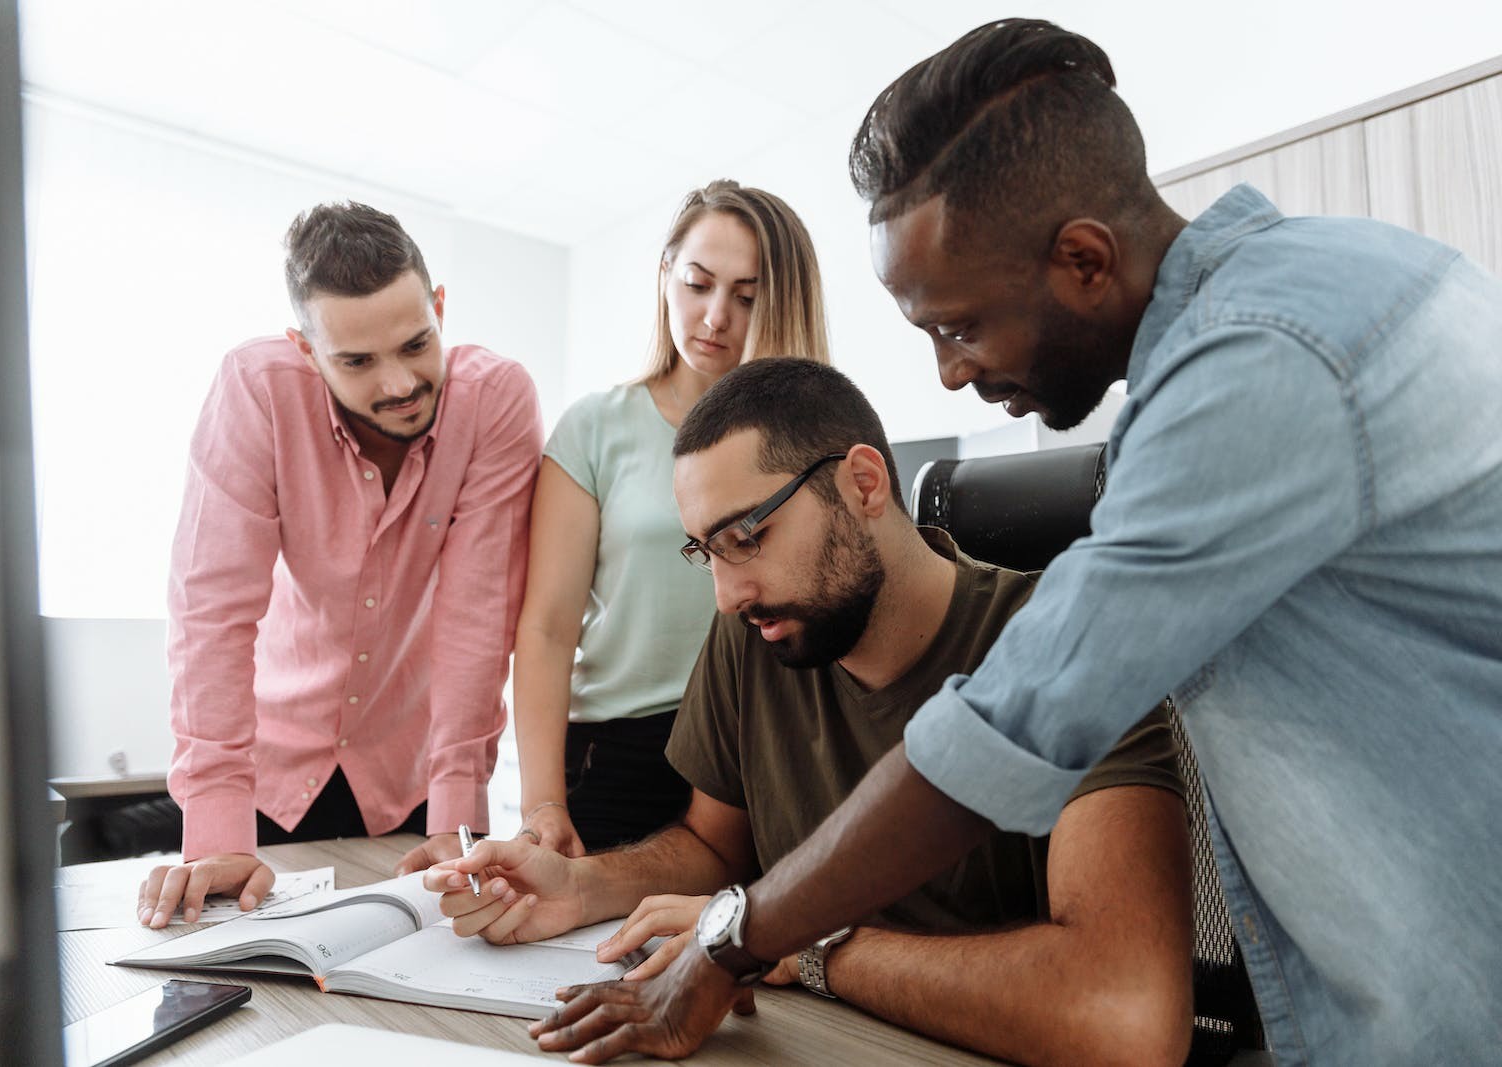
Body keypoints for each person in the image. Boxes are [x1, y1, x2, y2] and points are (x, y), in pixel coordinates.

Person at [526, 18, 1502, 1066]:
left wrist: (738, 936)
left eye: (957, 326)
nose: (948, 374)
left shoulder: (1257, 361)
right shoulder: (1282, 308)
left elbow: (1008, 724)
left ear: (1083, 259)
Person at [433, 359, 1195, 1066]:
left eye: (747, 537)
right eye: (707, 551)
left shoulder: (1066, 642)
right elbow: (711, 846)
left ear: (864, 483)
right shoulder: (756, 635)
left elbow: (1124, 1014)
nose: (728, 595)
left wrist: (808, 948)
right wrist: (581, 884)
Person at [138, 201, 543, 928]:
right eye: (356, 361)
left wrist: (458, 814)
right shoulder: (256, 390)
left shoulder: (495, 401)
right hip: (269, 771)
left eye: (417, 344)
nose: (397, 384)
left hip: (410, 771)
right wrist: (217, 833)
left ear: (440, 308)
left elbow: (477, 614)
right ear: (305, 348)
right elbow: (212, 615)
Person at [512, 180, 830, 856]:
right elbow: (546, 628)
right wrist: (543, 803)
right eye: (697, 283)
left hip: (767, 748)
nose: (716, 315)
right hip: (620, 752)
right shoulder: (596, 427)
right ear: (665, 276)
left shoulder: (815, 444)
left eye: (746, 297)